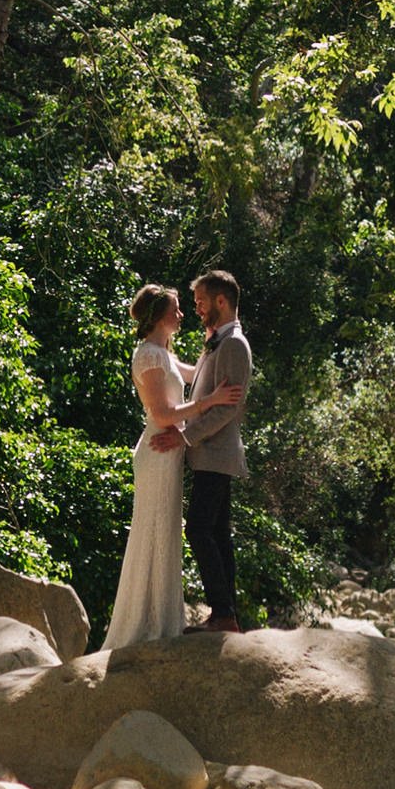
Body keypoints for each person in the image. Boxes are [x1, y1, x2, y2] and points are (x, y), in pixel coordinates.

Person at [103, 282, 188, 657]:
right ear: (159, 315)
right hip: (157, 452)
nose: (181, 314)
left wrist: (221, 337)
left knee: (166, 529)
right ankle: (146, 624)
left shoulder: (164, 354)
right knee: (152, 530)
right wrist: (209, 404)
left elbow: (197, 371)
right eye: (176, 309)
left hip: (169, 455)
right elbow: (162, 414)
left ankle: (164, 621)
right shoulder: (149, 356)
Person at [180, 269, 253, 635]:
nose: (197, 309)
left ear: (221, 302)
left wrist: (186, 436)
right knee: (219, 533)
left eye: (201, 302)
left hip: (216, 452)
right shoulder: (217, 340)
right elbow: (202, 383)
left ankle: (223, 613)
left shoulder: (234, 344)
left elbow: (229, 409)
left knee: (198, 530)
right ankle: (226, 616)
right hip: (211, 454)